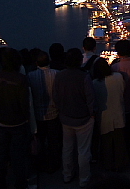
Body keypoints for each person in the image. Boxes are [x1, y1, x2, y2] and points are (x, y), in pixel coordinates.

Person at [53, 48, 95, 188]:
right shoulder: (84, 76)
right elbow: (90, 98)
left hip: (66, 117)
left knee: (67, 148)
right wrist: (91, 114)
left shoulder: (59, 76)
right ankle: (84, 179)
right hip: (83, 118)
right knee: (83, 150)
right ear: (79, 61)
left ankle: (67, 174)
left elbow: (56, 96)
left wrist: (61, 110)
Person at [0, 48, 30, 189]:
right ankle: (20, 183)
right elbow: (24, 103)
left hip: (2, 121)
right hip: (18, 122)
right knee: (18, 155)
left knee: (2, 153)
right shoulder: (20, 79)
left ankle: (0, 182)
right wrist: (27, 120)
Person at [27, 50, 61, 173]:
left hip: (37, 114)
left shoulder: (30, 76)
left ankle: (40, 164)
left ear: (36, 63)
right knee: (53, 141)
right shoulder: (57, 74)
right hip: (54, 113)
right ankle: (54, 164)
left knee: (39, 141)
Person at [92, 58, 128, 171]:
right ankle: (120, 165)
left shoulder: (95, 83)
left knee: (106, 144)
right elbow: (123, 91)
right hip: (118, 113)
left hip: (104, 117)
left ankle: (107, 167)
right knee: (120, 142)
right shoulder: (118, 77)